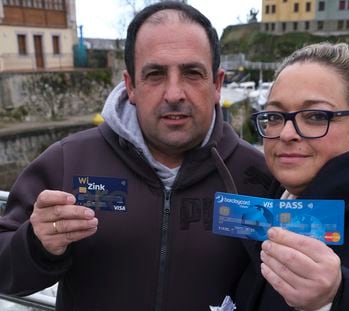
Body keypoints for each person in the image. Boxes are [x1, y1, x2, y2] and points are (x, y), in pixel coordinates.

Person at [0, 2, 272, 310]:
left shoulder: (257, 176)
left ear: (217, 84)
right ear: (130, 85)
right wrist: (37, 245)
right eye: (155, 74)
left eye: (192, 73)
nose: (173, 93)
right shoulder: (68, 162)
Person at [237, 42, 349, 310]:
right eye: (274, 116)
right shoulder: (264, 202)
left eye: (316, 116)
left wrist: (337, 297)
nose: (286, 133)